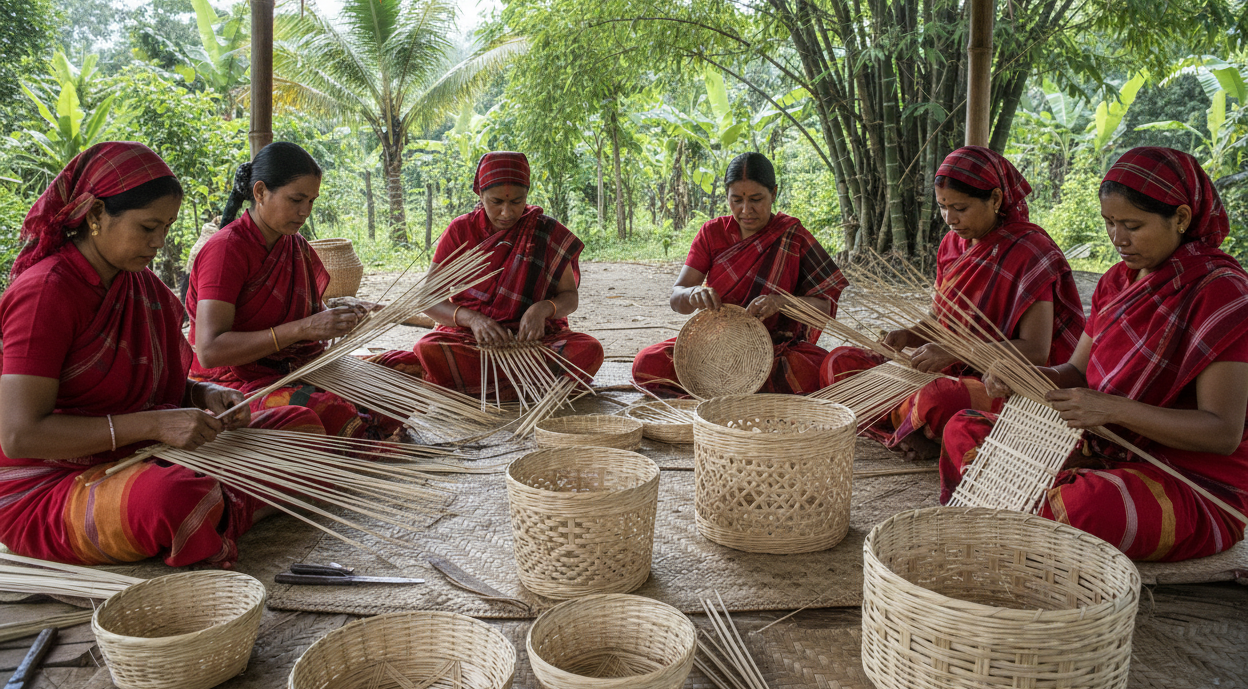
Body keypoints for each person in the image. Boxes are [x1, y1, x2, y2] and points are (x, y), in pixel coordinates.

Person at [0, 142, 321, 567]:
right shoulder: (46, 292)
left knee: (302, 424)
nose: (158, 242)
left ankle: (219, 511)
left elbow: (156, 385)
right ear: (95, 215)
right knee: (175, 498)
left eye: (166, 228)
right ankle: (220, 507)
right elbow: (21, 435)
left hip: (143, 453)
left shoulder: (140, 285)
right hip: (55, 481)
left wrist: (202, 395)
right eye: (148, 227)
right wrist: (156, 423)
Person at [942, 147, 1248, 562]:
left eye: (1133, 225)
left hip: (1189, 480)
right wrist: (1021, 376)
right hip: (1102, 448)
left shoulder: (1220, 291)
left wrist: (1112, 410)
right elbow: (1074, 372)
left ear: (1180, 217)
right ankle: (1032, 508)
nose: (1118, 238)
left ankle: (1026, 509)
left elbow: (1222, 432)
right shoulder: (1115, 283)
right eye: (1109, 224)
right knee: (963, 427)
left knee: (1085, 507)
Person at [819, 146, 1085, 459]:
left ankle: (916, 423)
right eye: (943, 206)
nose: (950, 218)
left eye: (960, 207)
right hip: (950, 369)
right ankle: (917, 426)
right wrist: (908, 335)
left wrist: (955, 351)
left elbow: (1036, 350)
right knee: (840, 363)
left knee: (939, 399)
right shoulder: (952, 245)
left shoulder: (1030, 252)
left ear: (996, 199)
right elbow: (939, 320)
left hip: (1001, 383)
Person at [186, 142, 419, 441]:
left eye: (311, 201)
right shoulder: (226, 250)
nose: (305, 211)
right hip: (235, 384)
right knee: (313, 411)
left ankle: (358, 430)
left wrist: (342, 316)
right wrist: (305, 328)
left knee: (406, 367)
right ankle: (360, 429)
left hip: (299, 368)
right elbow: (209, 351)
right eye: (297, 199)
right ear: (259, 193)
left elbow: (310, 317)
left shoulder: (294, 245)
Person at [632, 152, 846, 396]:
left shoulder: (793, 237)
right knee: (646, 363)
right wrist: (694, 294)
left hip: (775, 350)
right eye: (736, 200)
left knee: (821, 370)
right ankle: (741, 392)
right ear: (727, 197)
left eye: (756, 199)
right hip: (714, 348)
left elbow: (825, 307)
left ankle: (723, 391)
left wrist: (782, 302)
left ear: (774, 193)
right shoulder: (712, 233)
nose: (746, 210)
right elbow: (676, 299)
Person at [409, 151, 603, 398]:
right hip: (473, 341)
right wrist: (474, 320)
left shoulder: (546, 231)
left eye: (516, 201)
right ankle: (528, 387)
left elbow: (569, 297)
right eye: (496, 201)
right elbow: (428, 298)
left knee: (589, 349)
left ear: (527, 196)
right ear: (480, 195)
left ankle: (482, 387)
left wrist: (541, 310)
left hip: (532, 342)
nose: (506, 213)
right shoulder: (461, 230)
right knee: (428, 349)